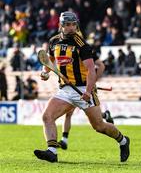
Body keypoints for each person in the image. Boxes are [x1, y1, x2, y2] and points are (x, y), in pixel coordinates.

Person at [34, 11, 130, 163]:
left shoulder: (82, 45)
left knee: (99, 126)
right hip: (65, 90)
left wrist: (87, 91)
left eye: (73, 25)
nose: (71, 28)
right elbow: (49, 61)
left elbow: (92, 70)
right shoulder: (53, 42)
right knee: (47, 116)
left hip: (83, 89)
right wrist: (45, 73)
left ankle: (123, 140)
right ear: (61, 25)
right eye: (67, 25)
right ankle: (52, 151)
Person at [58, 58, 114, 150]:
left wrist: (93, 81)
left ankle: (104, 115)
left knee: (92, 116)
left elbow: (101, 65)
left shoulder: (86, 49)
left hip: (85, 89)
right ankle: (64, 140)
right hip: (72, 88)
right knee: (68, 113)